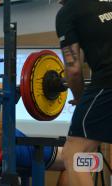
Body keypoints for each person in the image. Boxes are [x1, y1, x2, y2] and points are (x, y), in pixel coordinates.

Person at [55, 0, 112, 185]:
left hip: (108, 81)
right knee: (89, 149)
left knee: (74, 152)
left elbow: (73, 70)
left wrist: (79, 98)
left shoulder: (67, 13)